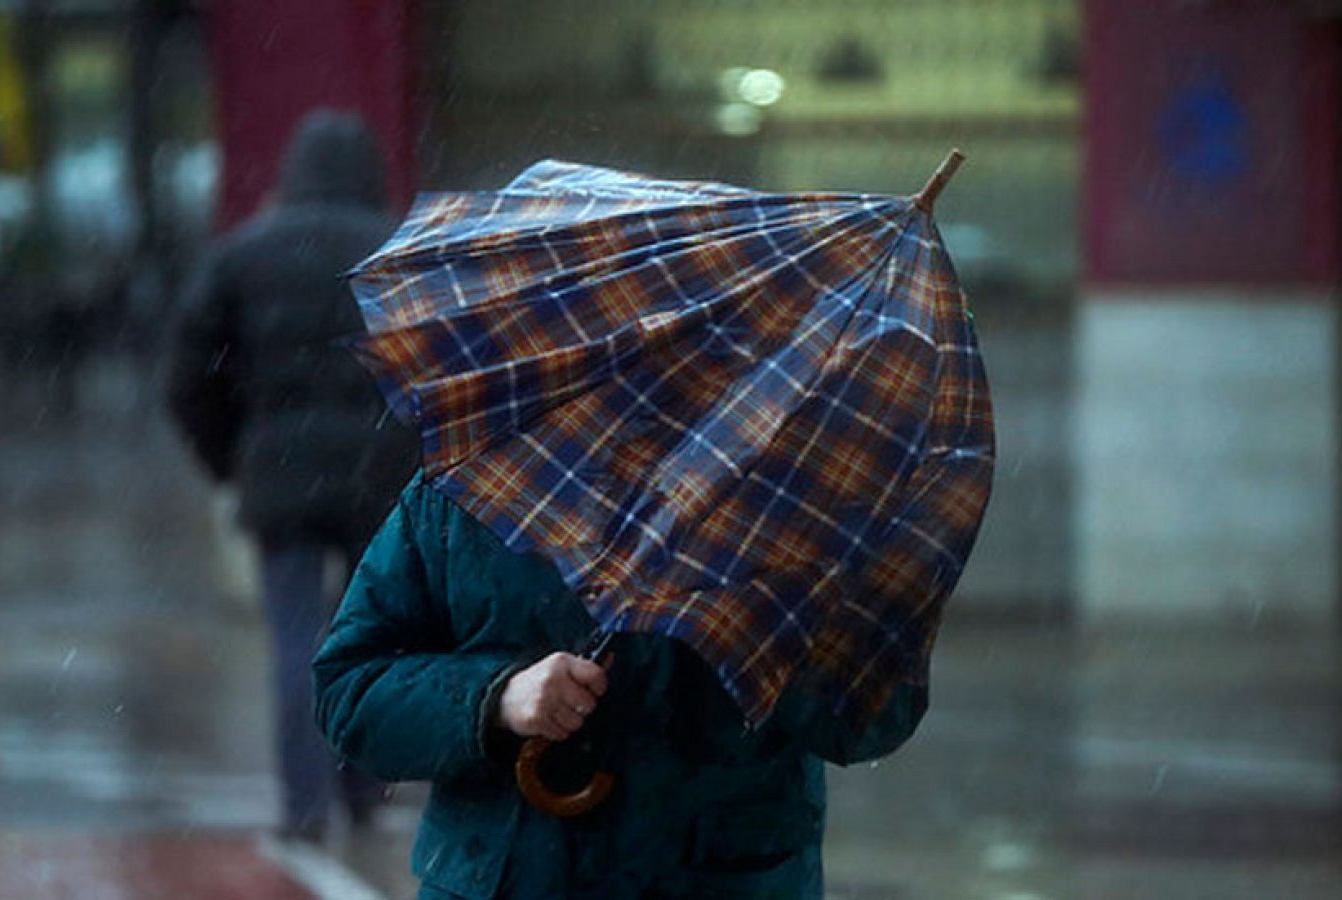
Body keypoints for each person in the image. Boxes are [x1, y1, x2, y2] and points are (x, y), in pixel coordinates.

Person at [312, 472, 928, 899]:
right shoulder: (467, 488)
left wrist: (778, 637)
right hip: (512, 880)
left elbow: (876, 716)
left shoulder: (807, 503)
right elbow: (352, 688)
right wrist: (495, 698)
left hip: (725, 879)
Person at [165, 109, 419, 842]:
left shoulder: (241, 256)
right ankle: (365, 784)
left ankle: (305, 804)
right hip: (381, 481)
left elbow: (187, 378)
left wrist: (230, 459)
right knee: (373, 634)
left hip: (279, 476)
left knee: (295, 638)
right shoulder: (399, 253)